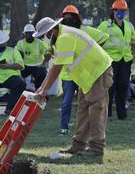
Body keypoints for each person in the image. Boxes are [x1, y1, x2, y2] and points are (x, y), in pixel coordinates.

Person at [34, 17, 113, 157]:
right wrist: (41, 88)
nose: (43, 39)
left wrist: (44, 90)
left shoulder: (65, 38)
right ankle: (78, 145)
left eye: (44, 35)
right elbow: (53, 67)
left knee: (96, 110)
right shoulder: (60, 37)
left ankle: (97, 148)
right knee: (83, 110)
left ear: (52, 30)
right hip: (88, 77)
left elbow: (57, 68)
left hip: (97, 73)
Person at [58, 5, 109, 135]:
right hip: (68, 75)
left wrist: (92, 53)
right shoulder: (62, 34)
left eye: (71, 16)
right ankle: (64, 127)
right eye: (66, 17)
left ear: (77, 18)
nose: (69, 19)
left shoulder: (85, 30)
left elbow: (104, 37)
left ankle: (84, 134)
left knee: (86, 105)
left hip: (84, 75)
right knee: (67, 103)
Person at [98, 0, 135, 120]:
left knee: (123, 87)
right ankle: (107, 114)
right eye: (120, 10)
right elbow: (97, 44)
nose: (122, 13)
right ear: (114, 11)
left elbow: (133, 42)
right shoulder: (105, 25)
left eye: (124, 11)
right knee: (109, 88)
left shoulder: (129, 26)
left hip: (125, 61)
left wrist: (132, 56)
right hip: (111, 62)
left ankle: (122, 115)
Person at [16, 23, 51, 90]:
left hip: (38, 66)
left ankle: (40, 94)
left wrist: (43, 63)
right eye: (27, 33)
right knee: (15, 76)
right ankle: (20, 93)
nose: (28, 35)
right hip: (25, 66)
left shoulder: (40, 42)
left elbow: (48, 54)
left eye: (30, 33)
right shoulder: (20, 43)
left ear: (34, 33)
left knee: (42, 74)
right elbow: (19, 57)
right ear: (24, 34)